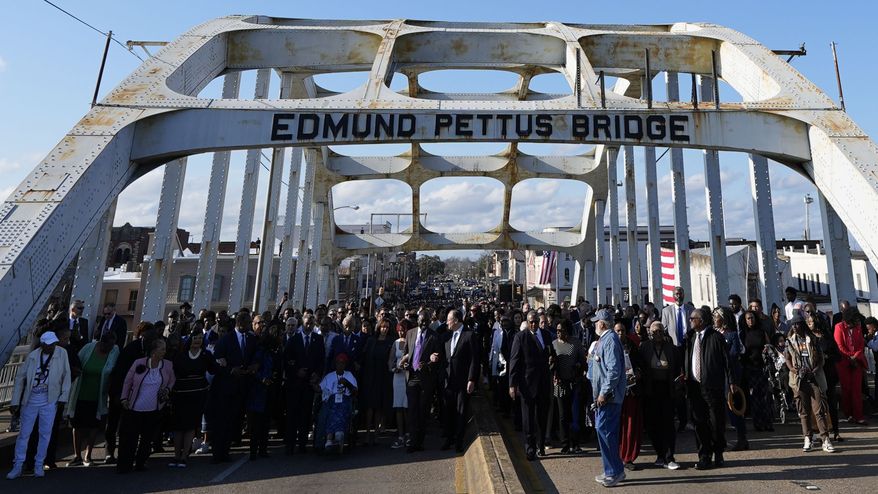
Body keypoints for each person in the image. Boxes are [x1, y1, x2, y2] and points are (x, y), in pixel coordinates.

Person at [7, 331, 71, 480]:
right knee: (24, 434)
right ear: (42, 344)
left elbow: (66, 375)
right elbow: (20, 378)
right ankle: (18, 465)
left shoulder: (61, 354)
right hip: (30, 400)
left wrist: (63, 397)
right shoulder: (33, 356)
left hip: (49, 400)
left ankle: (39, 464)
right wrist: (15, 401)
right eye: (49, 345)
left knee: (45, 433)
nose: (52, 347)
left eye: (54, 344)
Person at [685, 308, 735, 470]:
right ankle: (704, 455)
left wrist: (732, 382)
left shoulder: (716, 337)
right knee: (699, 423)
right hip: (694, 387)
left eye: (693, 318)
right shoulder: (691, 338)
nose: (690, 320)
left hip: (712, 387)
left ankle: (718, 452)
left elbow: (728, 361)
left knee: (716, 422)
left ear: (702, 320)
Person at [117, 339, 175, 473]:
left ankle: (140, 463)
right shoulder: (139, 363)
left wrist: (167, 390)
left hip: (154, 409)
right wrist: (124, 398)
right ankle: (125, 464)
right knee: (130, 438)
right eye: (162, 349)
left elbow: (172, 380)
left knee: (147, 439)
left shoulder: (167, 365)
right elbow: (128, 381)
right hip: (135, 407)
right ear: (154, 351)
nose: (164, 352)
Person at [65, 332, 118, 467]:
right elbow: (76, 361)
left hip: (98, 394)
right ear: (102, 342)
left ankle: (88, 456)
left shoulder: (114, 351)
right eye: (109, 345)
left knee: (94, 425)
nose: (111, 348)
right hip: (81, 392)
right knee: (77, 424)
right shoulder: (89, 348)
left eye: (113, 345)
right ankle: (77, 455)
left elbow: (114, 369)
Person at [210, 312, 257, 462]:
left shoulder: (251, 339)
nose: (250, 325)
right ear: (240, 323)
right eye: (248, 322)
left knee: (233, 421)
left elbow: (255, 356)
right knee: (222, 421)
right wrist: (230, 370)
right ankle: (218, 453)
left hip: (243, 386)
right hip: (226, 387)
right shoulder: (226, 340)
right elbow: (217, 362)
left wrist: (253, 366)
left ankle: (226, 450)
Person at [785, 316, 835, 453]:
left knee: (819, 410)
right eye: (793, 325)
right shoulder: (790, 341)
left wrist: (816, 369)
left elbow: (821, 359)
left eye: (797, 324)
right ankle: (808, 438)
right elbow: (787, 358)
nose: (795, 327)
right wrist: (792, 369)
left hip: (814, 378)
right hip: (799, 380)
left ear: (803, 325)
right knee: (803, 411)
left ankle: (825, 439)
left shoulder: (813, 339)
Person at [588, 309, 627, 488]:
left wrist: (604, 392)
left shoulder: (610, 340)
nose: (595, 324)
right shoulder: (604, 340)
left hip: (609, 398)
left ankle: (614, 472)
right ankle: (612, 469)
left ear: (602, 323)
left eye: (597, 321)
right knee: (603, 432)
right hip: (603, 397)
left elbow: (613, 371)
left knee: (606, 433)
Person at [509, 310, 553, 461]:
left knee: (542, 416)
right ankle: (530, 448)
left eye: (535, 321)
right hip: (527, 385)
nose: (533, 324)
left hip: (543, 383)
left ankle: (541, 446)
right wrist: (512, 385)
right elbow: (514, 361)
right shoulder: (520, 337)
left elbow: (551, 354)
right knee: (528, 419)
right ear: (527, 323)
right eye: (530, 322)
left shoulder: (546, 335)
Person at [169, 331, 216, 467]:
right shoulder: (180, 354)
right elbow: (173, 371)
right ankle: (176, 456)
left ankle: (184, 456)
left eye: (200, 338)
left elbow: (213, 370)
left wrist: (222, 364)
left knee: (190, 426)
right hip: (180, 393)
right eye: (195, 338)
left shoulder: (205, 354)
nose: (198, 340)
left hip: (197, 394)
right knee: (178, 427)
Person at [639, 322, 681, 470]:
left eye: (660, 332)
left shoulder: (672, 349)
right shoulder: (644, 347)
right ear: (650, 333)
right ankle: (659, 454)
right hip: (651, 390)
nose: (657, 334)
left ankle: (670, 456)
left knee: (668, 423)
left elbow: (678, 368)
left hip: (667, 389)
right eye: (654, 332)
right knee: (653, 424)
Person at [283, 312, 325, 454]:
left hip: (309, 383)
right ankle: (290, 444)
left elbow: (321, 360)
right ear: (303, 323)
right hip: (295, 383)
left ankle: (302, 444)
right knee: (292, 414)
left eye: (311, 324)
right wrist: (296, 370)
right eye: (307, 323)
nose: (309, 325)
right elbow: (286, 359)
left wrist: (316, 374)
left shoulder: (318, 339)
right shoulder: (294, 339)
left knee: (305, 414)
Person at [403, 313, 444, 453]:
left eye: (426, 321)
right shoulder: (410, 333)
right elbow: (407, 353)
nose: (424, 323)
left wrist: (428, 364)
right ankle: (413, 441)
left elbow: (438, 358)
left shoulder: (434, 336)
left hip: (426, 379)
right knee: (412, 411)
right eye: (422, 321)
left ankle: (419, 441)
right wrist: (404, 364)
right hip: (412, 377)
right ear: (417, 321)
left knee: (423, 411)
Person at [442, 309, 480, 453]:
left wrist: (471, 379)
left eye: (449, 319)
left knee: (461, 411)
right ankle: (449, 438)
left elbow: (474, 360)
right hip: (449, 381)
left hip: (463, 381)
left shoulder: (469, 335)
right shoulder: (447, 336)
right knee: (449, 411)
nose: (447, 322)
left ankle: (459, 440)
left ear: (456, 320)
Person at [713, 307, 748, 451]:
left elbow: (733, 354)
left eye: (716, 316)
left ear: (723, 318)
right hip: (717, 376)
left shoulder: (732, 335)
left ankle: (742, 439)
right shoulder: (713, 334)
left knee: (733, 407)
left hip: (731, 376)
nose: (714, 318)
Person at [550, 319, 585, 454]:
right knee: (563, 415)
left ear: (567, 331)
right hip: (560, 384)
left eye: (562, 330)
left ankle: (575, 443)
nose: (559, 333)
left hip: (574, 383)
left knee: (575, 414)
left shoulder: (575, 343)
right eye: (557, 331)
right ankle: (565, 443)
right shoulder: (553, 344)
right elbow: (550, 364)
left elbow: (583, 360)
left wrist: (578, 366)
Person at [807, 312, 843, 442]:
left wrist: (827, 357)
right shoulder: (807, 337)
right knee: (816, 404)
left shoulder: (827, 337)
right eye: (808, 322)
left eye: (811, 322)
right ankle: (818, 432)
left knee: (832, 403)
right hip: (814, 374)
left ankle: (836, 431)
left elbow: (838, 356)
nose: (809, 324)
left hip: (828, 373)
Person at [661, 286, 691, 432]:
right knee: (675, 384)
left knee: (687, 382)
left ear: (684, 295)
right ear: (673, 296)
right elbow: (664, 330)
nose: (678, 296)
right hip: (673, 349)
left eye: (680, 293)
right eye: (676, 294)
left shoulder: (690, 310)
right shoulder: (667, 311)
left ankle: (687, 417)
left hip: (687, 348)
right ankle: (676, 417)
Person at [360, 318, 395, 445]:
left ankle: (376, 433)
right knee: (370, 406)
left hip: (383, 376)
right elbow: (364, 357)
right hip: (371, 376)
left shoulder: (391, 342)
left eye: (386, 327)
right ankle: (368, 433)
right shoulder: (371, 340)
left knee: (379, 406)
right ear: (378, 327)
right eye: (382, 327)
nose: (384, 329)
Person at [615, 322, 644, 471]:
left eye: (623, 330)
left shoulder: (632, 346)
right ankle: (617, 456)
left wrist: (638, 372)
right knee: (618, 426)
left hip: (631, 392)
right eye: (618, 331)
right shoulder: (610, 346)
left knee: (631, 426)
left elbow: (640, 364)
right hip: (616, 393)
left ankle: (629, 457)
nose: (620, 334)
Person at [740, 309, 774, 432]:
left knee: (765, 396)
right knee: (754, 396)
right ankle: (758, 423)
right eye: (748, 318)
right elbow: (742, 351)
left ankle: (768, 423)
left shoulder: (761, 332)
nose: (750, 320)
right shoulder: (743, 333)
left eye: (752, 318)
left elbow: (769, 346)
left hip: (762, 367)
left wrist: (766, 349)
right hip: (750, 368)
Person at [834, 307, 868, 425]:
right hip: (843, 363)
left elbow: (861, 345)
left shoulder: (858, 328)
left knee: (857, 390)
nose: (858, 322)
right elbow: (840, 346)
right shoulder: (839, 327)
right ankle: (849, 414)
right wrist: (850, 357)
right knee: (847, 389)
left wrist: (855, 357)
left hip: (857, 362)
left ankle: (859, 415)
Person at [320, 353, 359, 452]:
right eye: (338, 363)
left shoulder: (349, 375)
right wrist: (313, 382)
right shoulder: (329, 376)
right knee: (331, 411)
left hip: (345, 400)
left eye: (342, 363)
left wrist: (347, 383)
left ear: (345, 365)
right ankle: (329, 439)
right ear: (335, 364)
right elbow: (319, 388)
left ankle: (337, 435)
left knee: (340, 410)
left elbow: (355, 391)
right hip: (332, 400)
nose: (340, 365)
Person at [390, 322, 409, 449]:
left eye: (403, 330)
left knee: (407, 407)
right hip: (397, 377)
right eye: (399, 330)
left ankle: (408, 434)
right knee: (398, 407)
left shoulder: (410, 341)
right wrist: (393, 369)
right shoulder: (395, 343)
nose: (401, 332)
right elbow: (390, 360)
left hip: (407, 377)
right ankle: (401, 435)